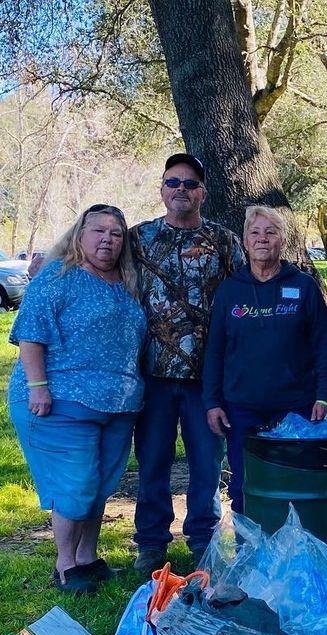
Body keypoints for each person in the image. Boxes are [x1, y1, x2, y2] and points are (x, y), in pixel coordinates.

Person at [7, 204, 146, 594]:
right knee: (77, 485)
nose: (107, 239)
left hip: (119, 406)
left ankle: (87, 557)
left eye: (115, 234)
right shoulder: (58, 276)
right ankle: (66, 565)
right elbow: (30, 335)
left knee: (100, 485)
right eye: (98, 231)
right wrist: (38, 388)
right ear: (79, 236)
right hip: (61, 401)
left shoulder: (128, 281)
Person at [131, 153, 245, 572]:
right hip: (153, 375)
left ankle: (203, 540)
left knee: (206, 462)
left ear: (203, 192)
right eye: (173, 182)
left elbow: (246, 294)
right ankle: (150, 542)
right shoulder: (138, 240)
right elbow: (93, 262)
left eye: (190, 183)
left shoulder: (226, 241)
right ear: (162, 190)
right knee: (153, 461)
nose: (181, 189)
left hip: (207, 379)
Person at [202, 205, 327, 514]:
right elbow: (215, 351)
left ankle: (297, 557)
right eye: (255, 233)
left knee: (297, 484)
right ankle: (249, 556)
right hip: (242, 408)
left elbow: (323, 345)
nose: (262, 239)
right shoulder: (229, 291)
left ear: (283, 240)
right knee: (246, 486)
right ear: (245, 242)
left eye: (271, 232)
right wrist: (212, 401)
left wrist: (324, 395)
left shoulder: (303, 286)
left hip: (296, 406)